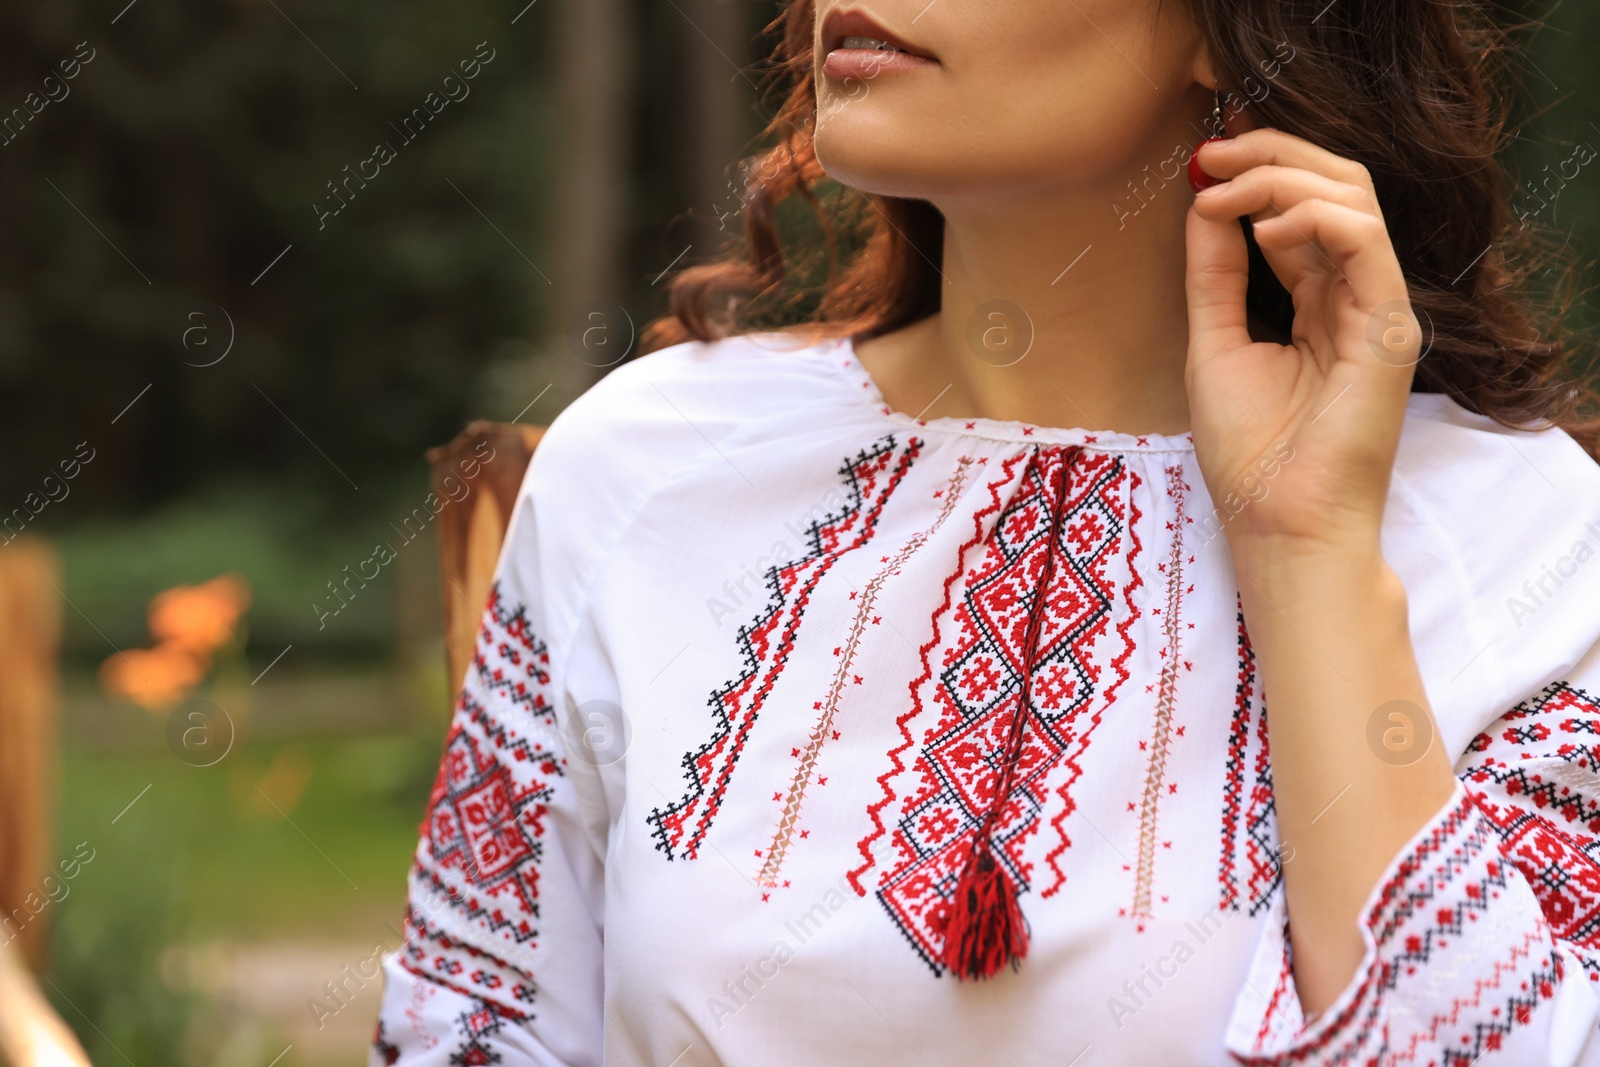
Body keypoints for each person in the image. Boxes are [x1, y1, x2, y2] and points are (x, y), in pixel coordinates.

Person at [372, 1, 1600, 1063]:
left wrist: (1306, 545)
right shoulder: (643, 463)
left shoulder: (1520, 533)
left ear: (1232, 31)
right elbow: (472, 1024)